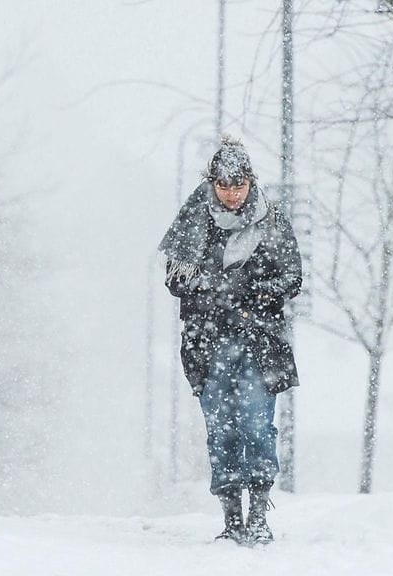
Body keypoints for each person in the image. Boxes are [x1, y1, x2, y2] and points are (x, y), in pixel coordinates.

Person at [158, 137, 302, 546]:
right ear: (212, 183)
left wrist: (251, 293)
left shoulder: (272, 221)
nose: (232, 192)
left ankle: (259, 514)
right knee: (220, 431)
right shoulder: (192, 221)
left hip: (260, 341)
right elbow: (174, 279)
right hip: (209, 343)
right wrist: (217, 290)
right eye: (223, 184)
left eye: (238, 184)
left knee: (258, 426)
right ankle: (231, 518)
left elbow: (292, 276)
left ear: (249, 181)